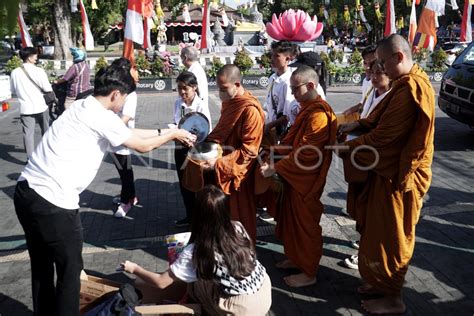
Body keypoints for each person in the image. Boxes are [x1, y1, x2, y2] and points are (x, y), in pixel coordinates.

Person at [13, 61, 196, 316]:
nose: (124, 104)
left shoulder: (83, 105)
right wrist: (173, 135)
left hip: (26, 192)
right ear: (115, 95)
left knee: (42, 267)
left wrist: (165, 131)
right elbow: (141, 146)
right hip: (54, 203)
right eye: (125, 98)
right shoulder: (101, 116)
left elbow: (127, 133)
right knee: (70, 273)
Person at [337, 34, 435, 314]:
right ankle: (379, 282)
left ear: (399, 57)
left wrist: (347, 147)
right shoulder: (402, 85)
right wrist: (353, 126)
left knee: (393, 237)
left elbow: (384, 138)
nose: (378, 69)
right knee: (375, 233)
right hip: (384, 173)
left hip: (399, 177)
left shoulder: (412, 88)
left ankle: (393, 298)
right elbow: (379, 119)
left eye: (382, 63)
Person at [121, 185, 272, 315]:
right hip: (264, 291)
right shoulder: (237, 227)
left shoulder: (197, 250)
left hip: (239, 308)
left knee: (194, 284)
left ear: (197, 214)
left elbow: (161, 283)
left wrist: (134, 268)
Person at [259, 65, 337, 287]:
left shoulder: (319, 115)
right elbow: (293, 144)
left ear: (311, 85)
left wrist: (275, 168)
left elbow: (307, 153)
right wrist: (272, 152)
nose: (292, 94)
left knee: (305, 227)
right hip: (294, 179)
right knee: (291, 222)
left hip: (306, 182)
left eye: (295, 89)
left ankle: (309, 272)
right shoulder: (306, 109)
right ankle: (296, 258)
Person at [197, 64, 264, 243]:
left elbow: (250, 150)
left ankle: (245, 256)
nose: (220, 92)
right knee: (225, 215)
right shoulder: (231, 103)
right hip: (225, 163)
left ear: (237, 84)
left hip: (240, 172)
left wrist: (218, 164)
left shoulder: (249, 109)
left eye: (224, 88)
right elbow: (222, 131)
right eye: (218, 88)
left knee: (241, 216)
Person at [340, 59, 391, 270]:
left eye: (379, 72)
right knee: (361, 206)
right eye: (372, 71)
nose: (374, 76)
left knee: (375, 213)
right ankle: (364, 244)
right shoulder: (372, 91)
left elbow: (380, 132)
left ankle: (366, 252)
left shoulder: (393, 98)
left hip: (377, 160)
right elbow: (365, 118)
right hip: (361, 155)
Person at [173, 71, 212, 227]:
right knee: (184, 184)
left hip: (197, 150)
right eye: (179, 88)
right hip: (181, 149)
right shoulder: (177, 103)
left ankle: (202, 218)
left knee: (198, 184)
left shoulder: (201, 105)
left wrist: (194, 137)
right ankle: (190, 216)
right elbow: (174, 122)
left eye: (185, 89)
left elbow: (206, 129)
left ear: (194, 88)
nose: (182, 92)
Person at [108, 58, 140, 218]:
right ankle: (130, 197)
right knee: (122, 171)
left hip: (123, 138)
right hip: (113, 138)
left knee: (125, 172)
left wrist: (110, 128)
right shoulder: (117, 89)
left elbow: (127, 116)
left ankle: (126, 202)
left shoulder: (130, 93)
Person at [10, 46, 52, 160]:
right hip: (41, 106)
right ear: (29, 57)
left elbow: (13, 91)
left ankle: (30, 159)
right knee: (46, 131)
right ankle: (46, 155)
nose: (36, 57)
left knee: (28, 135)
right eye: (35, 55)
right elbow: (47, 88)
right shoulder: (39, 71)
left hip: (25, 108)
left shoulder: (15, 72)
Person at [342, 46, 376, 117]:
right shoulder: (365, 81)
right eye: (365, 63)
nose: (368, 67)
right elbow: (364, 102)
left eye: (372, 63)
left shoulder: (381, 83)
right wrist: (351, 110)